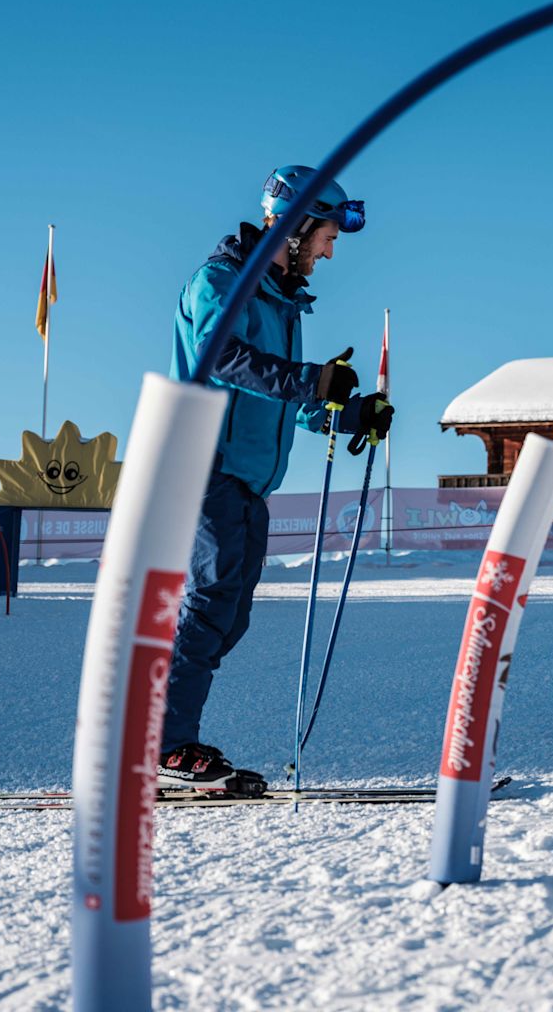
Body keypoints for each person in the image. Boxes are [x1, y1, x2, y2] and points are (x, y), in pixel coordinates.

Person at [162, 165, 394, 794]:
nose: (330, 250)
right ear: (294, 230)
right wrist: (308, 379)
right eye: (326, 237)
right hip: (206, 464)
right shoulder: (220, 283)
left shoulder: (284, 305)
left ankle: (164, 736)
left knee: (228, 613)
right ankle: (163, 742)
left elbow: (291, 394)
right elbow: (226, 360)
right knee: (210, 604)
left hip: (248, 480)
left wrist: (347, 410)